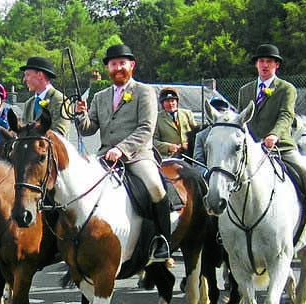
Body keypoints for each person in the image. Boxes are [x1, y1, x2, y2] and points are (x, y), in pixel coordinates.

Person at [74, 44, 172, 263]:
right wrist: (80, 115)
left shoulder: (144, 92)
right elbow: (88, 129)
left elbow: (146, 128)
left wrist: (122, 149)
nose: (117, 67)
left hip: (137, 155)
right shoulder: (100, 96)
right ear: (108, 68)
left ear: (131, 65)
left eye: (122, 63)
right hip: (105, 157)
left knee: (156, 188)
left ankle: (162, 240)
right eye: (113, 64)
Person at [237, 43, 306, 242]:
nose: (264, 65)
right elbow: (241, 117)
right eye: (261, 61)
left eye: (269, 61)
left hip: (280, 146)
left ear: (276, 65)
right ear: (256, 65)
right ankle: (224, 226)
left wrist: (274, 135)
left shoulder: (287, 89)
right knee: (228, 175)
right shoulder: (245, 90)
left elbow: (286, 115)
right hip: (252, 148)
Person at [20, 55, 70, 136]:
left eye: (27, 75)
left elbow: (60, 134)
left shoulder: (59, 100)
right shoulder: (29, 104)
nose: (24, 79)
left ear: (40, 75)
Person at [154, 87, 197, 158]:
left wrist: (189, 144)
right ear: (162, 103)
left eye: (172, 100)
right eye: (167, 101)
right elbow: (153, 141)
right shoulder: (157, 118)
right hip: (169, 157)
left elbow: (197, 135)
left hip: (190, 156)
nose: (170, 104)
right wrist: (168, 147)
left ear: (177, 102)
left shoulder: (187, 114)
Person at [193, 96, 233, 167]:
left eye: (222, 113)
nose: (218, 116)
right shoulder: (201, 136)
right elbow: (197, 163)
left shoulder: (233, 135)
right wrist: (208, 173)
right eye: (215, 113)